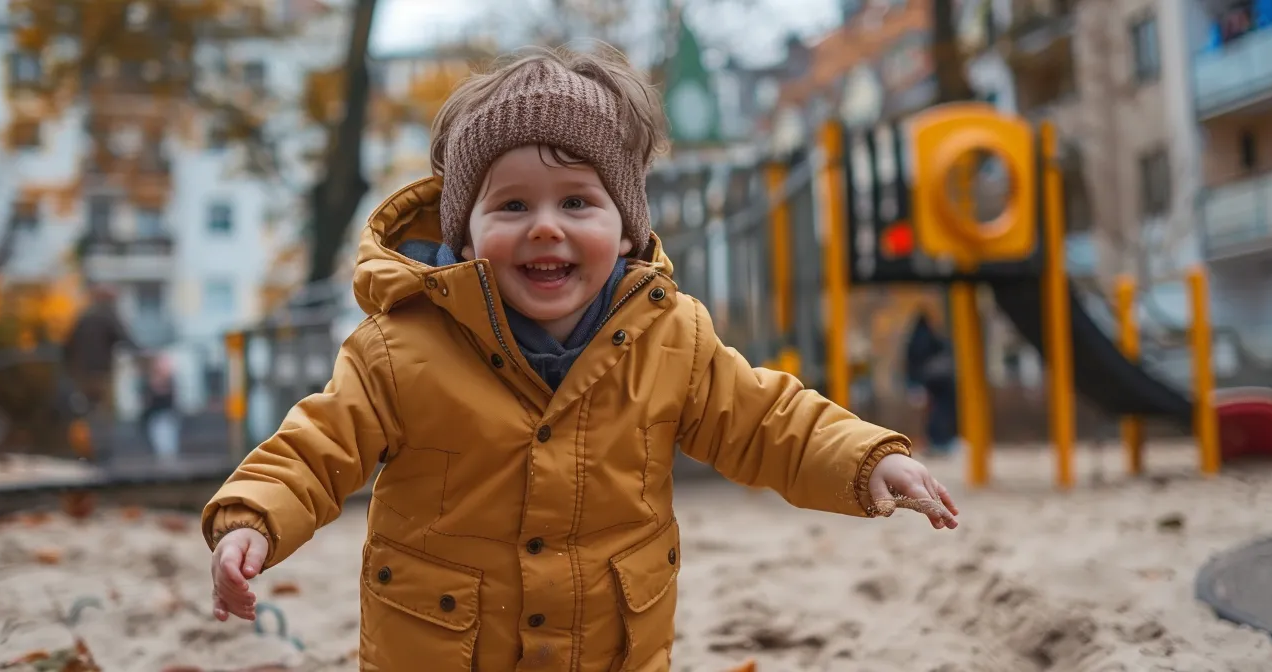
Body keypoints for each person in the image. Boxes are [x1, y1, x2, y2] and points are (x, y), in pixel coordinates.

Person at [201, 45, 960, 670]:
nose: (544, 228)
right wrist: (253, 520)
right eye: (511, 205)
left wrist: (866, 460)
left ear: (627, 228)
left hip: (609, 647)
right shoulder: (402, 348)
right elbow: (316, 446)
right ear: (464, 237)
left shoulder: (671, 338)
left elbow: (767, 420)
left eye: (576, 202)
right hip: (440, 646)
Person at [60, 285, 134, 463]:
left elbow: (66, 346)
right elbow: (125, 338)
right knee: (104, 414)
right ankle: (102, 453)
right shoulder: (107, 315)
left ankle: (84, 451)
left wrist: (70, 371)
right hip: (101, 373)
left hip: (81, 374)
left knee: (85, 414)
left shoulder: (83, 318)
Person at [903, 313, 961, 456]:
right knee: (941, 410)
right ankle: (942, 441)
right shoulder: (932, 338)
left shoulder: (913, 340)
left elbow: (911, 363)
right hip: (938, 380)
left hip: (926, 381)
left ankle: (935, 441)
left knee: (930, 412)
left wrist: (913, 383)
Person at [141, 354, 180, 461]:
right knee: (159, 441)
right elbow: (148, 399)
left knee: (168, 440)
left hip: (167, 415)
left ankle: (169, 459)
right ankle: (163, 459)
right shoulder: (149, 381)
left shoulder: (170, 381)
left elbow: (170, 397)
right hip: (155, 416)